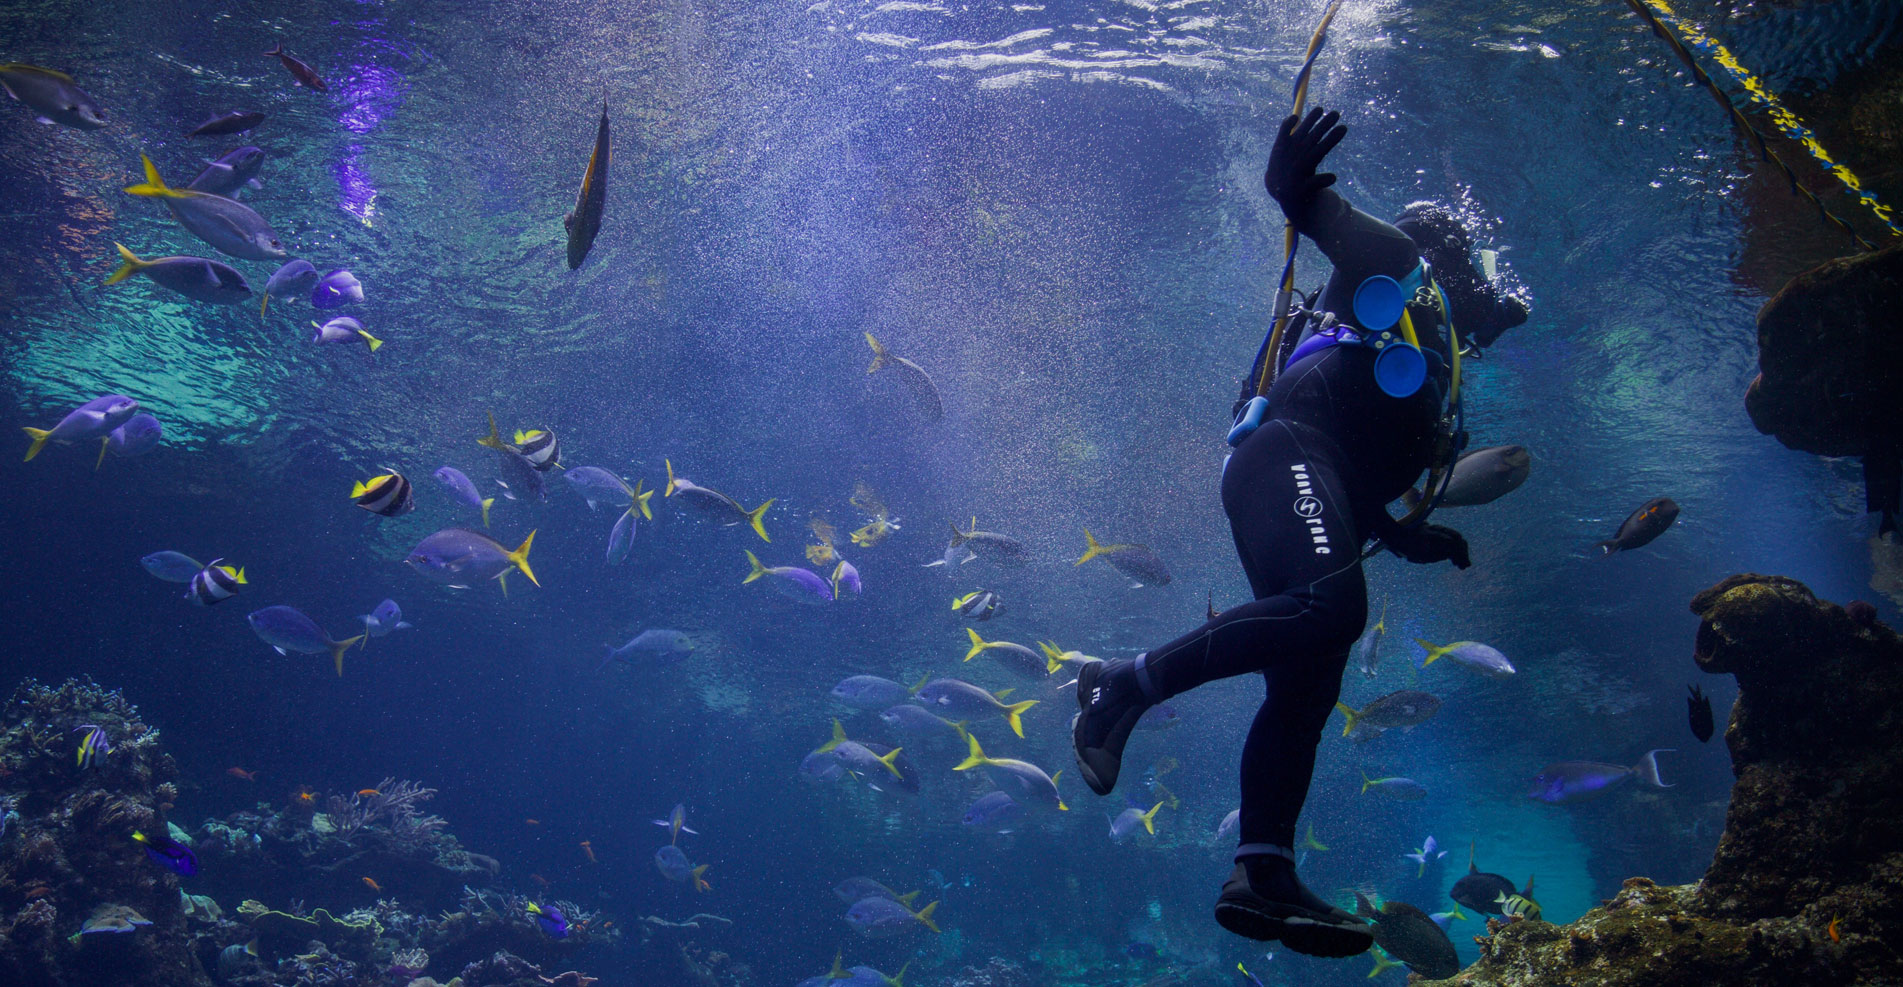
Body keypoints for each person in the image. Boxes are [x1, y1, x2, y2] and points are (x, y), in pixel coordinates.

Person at [1071, 106, 1527, 957]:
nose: (1486, 319)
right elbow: (1317, 213)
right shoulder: (1392, 268)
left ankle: (1262, 870)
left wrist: (1400, 533)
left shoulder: (1426, 359)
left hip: (1302, 480)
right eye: (1478, 292)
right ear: (1450, 268)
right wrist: (1293, 184)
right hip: (1282, 454)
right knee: (1328, 607)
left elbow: (1354, 467)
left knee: (1306, 691)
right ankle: (1120, 684)